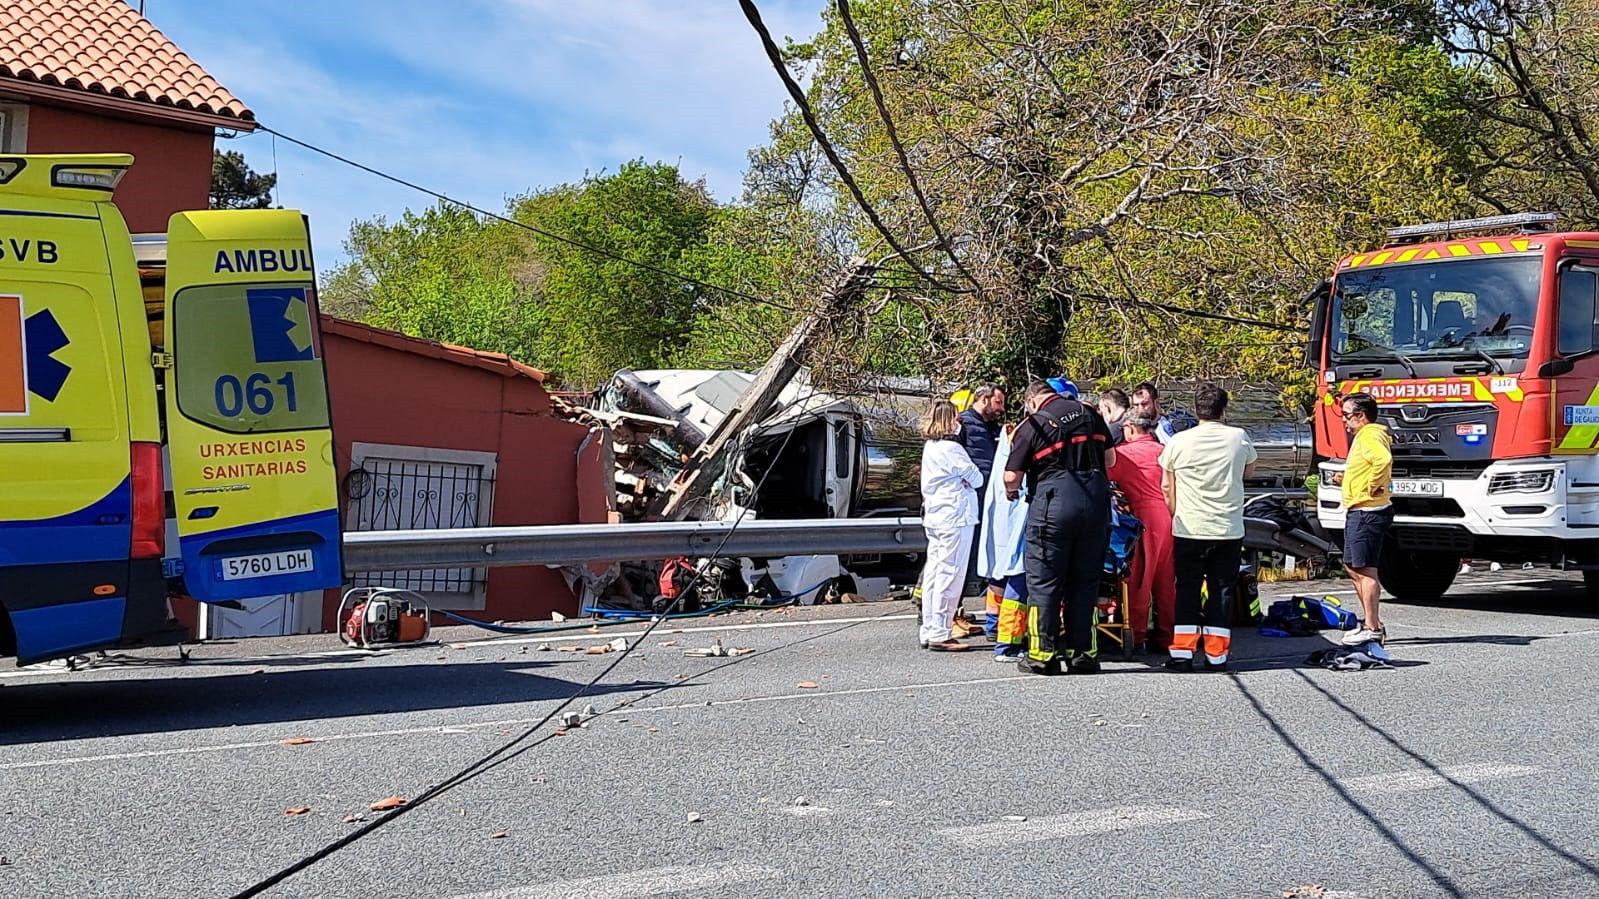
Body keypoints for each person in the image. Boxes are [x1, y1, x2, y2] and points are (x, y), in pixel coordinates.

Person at [1003, 379, 1116, 675]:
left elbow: (1011, 476)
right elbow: (1110, 458)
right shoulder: (1091, 414)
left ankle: (1042, 656)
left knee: (1044, 582)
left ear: (1031, 401)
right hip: (1094, 505)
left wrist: (1011, 492)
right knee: (1085, 583)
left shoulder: (1035, 424)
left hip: (1053, 506)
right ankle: (1084, 655)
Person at [1160, 383, 1256, 671]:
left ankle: (1183, 652)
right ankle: (1216, 655)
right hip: (1227, 528)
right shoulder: (1238, 438)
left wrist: (1177, 513)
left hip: (1189, 527)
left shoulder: (1179, 441)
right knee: (1221, 589)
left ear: (1197, 410)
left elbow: (1167, 485)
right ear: (1223, 411)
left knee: (1187, 588)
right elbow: (1248, 471)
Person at [916, 399, 983, 651]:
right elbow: (976, 478)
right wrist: (965, 480)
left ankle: (930, 627)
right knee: (950, 573)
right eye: (955, 419)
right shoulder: (951, 449)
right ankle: (941, 632)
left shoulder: (930, 447)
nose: (958, 424)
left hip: (936, 515)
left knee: (934, 572)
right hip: (956, 517)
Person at [1106, 413, 1175, 651]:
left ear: (1130, 428)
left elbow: (1104, 477)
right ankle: (1168, 637)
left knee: (1139, 579)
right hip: (1172, 516)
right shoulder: (1164, 449)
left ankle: (1136, 635)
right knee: (1166, 582)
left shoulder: (1124, 454)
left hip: (1145, 518)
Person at [1334, 391, 1392, 645]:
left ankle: (1372, 627)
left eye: (1347, 416)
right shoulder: (1368, 435)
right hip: (1362, 508)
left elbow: (1383, 459)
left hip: (1367, 511)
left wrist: (1370, 486)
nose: (1344, 421)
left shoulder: (1368, 435)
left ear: (1360, 415)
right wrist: (1346, 479)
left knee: (1364, 569)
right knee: (1353, 566)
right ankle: (1372, 623)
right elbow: (1370, 464)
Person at [978, 420, 1030, 660]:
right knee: (1018, 576)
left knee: (1000, 571)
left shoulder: (1016, 430)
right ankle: (1008, 642)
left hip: (1003, 510)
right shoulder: (1032, 433)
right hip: (1019, 509)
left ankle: (993, 625)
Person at [958, 384, 1006, 598]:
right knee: (961, 554)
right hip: (968, 499)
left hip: (989, 498)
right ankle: (953, 611)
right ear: (984, 399)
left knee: (980, 550)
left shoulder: (995, 428)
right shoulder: (964, 424)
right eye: (998, 402)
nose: (1001, 408)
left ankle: (963, 601)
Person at [1131, 382, 1195, 445]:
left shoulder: (1172, 427)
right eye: (1136, 405)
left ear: (1156, 402)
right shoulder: (1130, 431)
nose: (1140, 408)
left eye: (1144, 404)